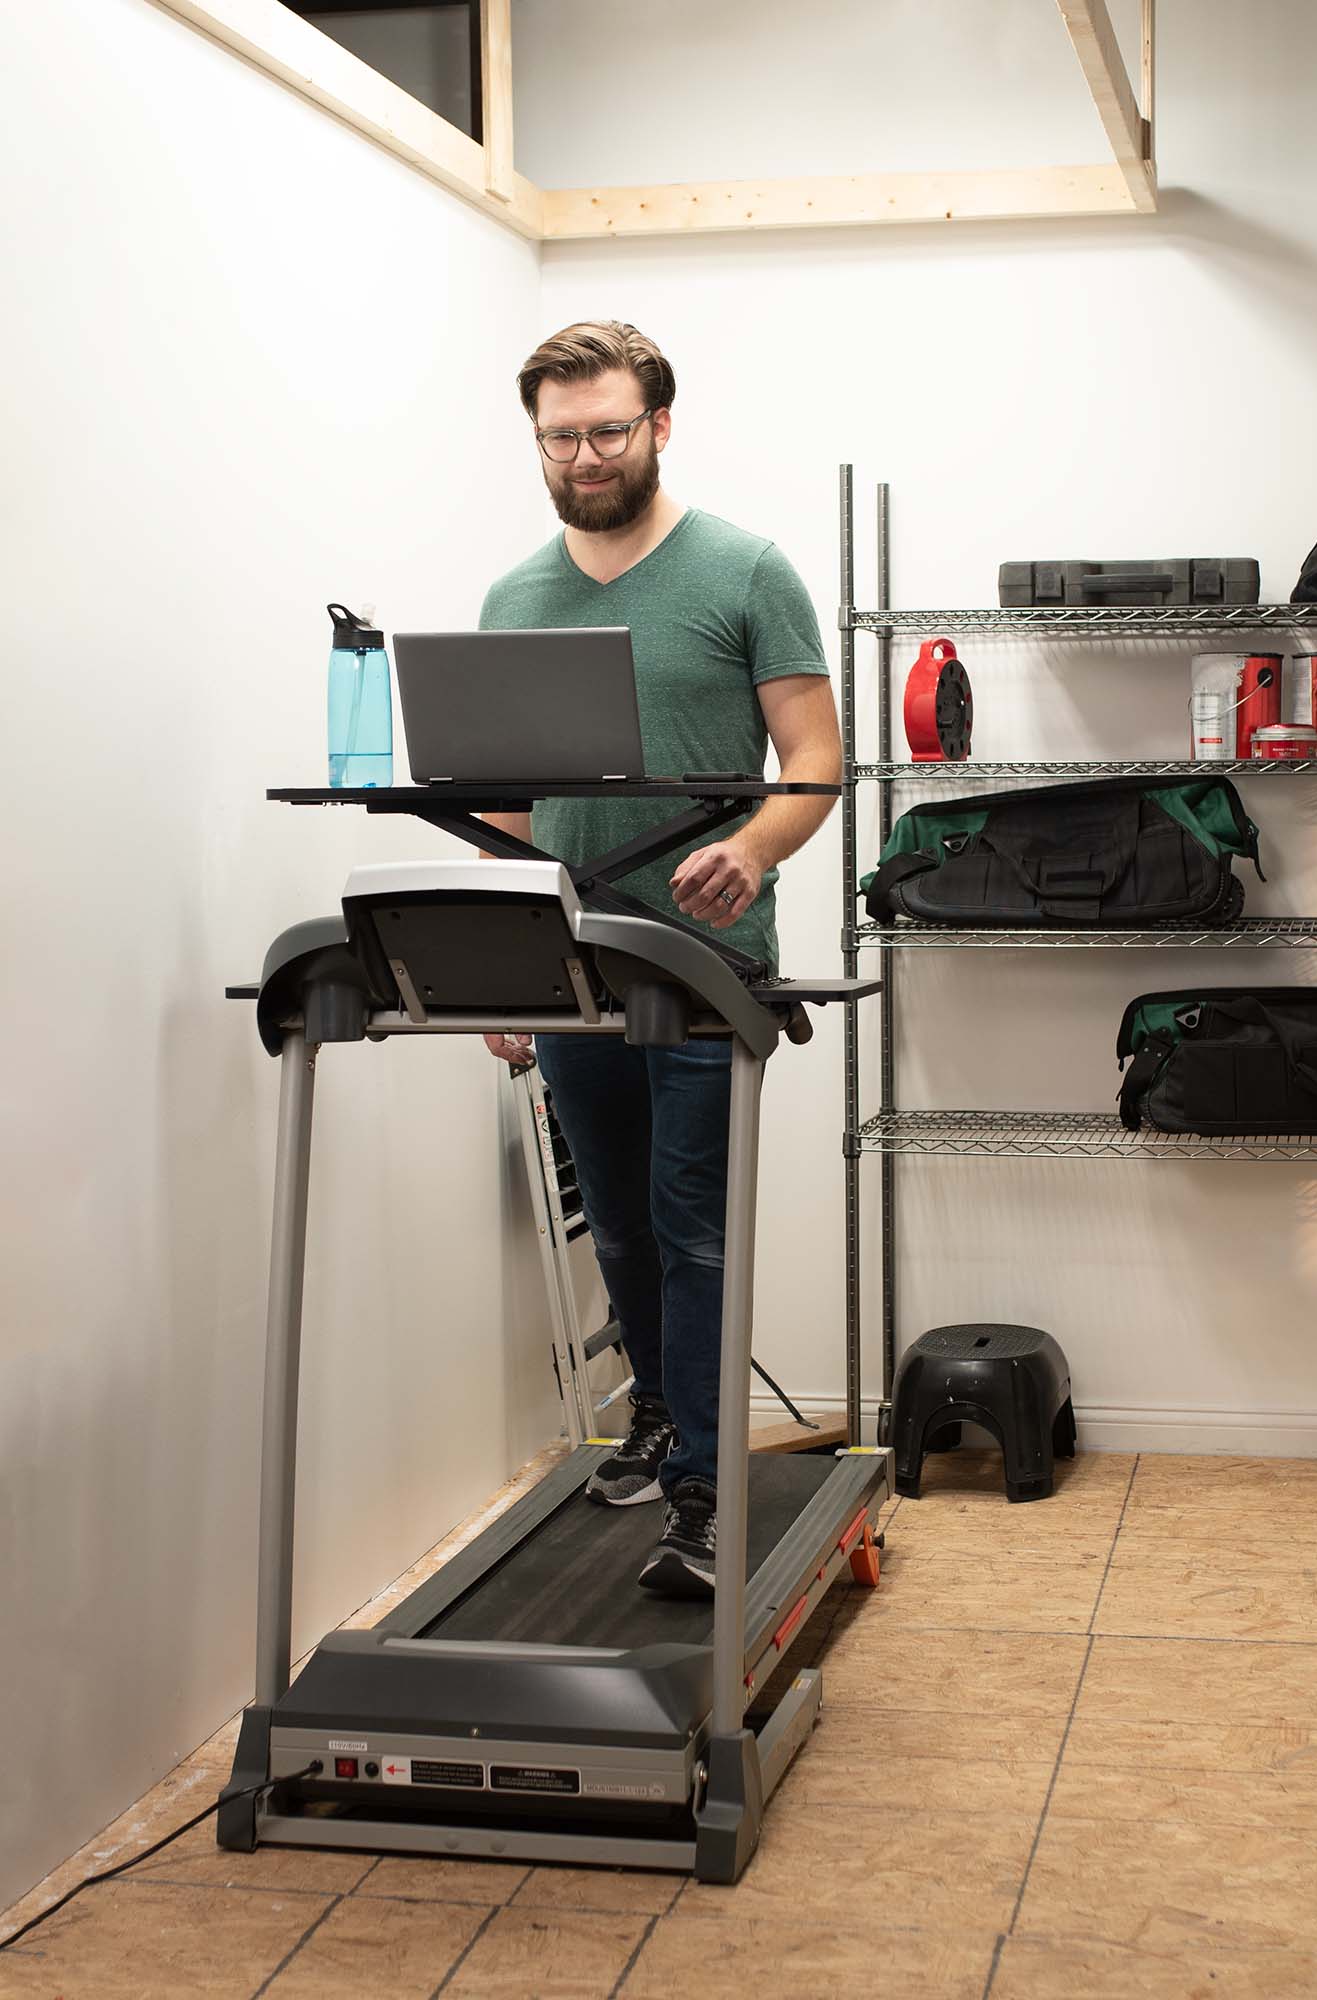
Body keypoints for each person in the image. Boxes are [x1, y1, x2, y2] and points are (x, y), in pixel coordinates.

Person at [476, 320, 838, 1594]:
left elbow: (814, 765)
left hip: (704, 964)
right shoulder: (513, 598)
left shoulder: (746, 571)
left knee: (692, 1228)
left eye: (606, 430)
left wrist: (754, 846)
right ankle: (656, 1416)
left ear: (659, 426)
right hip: (573, 966)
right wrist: (499, 960)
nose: (583, 456)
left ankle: (700, 1494)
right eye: (558, 436)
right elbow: (509, 813)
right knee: (616, 1226)